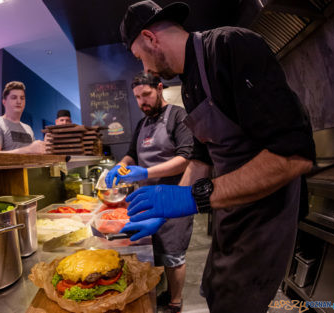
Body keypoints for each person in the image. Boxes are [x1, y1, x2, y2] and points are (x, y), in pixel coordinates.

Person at [119, 1, 316, 313]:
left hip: (266, 214)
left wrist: (195, 198)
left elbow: (294, 156)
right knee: (214, 290)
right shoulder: (189, 84)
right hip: (230, 211)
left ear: (149, 37)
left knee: (237, 302)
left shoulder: (231, 46)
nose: (145, 70)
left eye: (139, 58)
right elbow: (201, 159)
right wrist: (172, 206)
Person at [105, 71, 193, 313]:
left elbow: (185, 159)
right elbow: (131, 153)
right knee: (154, 250)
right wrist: (120, 166)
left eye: (146, 94)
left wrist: (145, 173)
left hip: (175, 195)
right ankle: (164, 293)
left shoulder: (178, 116)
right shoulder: (142, 123)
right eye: (137, 97)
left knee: (174, 254)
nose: (142, 101)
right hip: (146, 198)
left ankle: (175, 303)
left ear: (160, 88)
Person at [0, 81, 45, 153]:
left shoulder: (28, 128)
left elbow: (33, 153)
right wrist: (28, 149)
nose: (19, 101)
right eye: (14, 98)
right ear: (4, 102)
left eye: (22, 98)